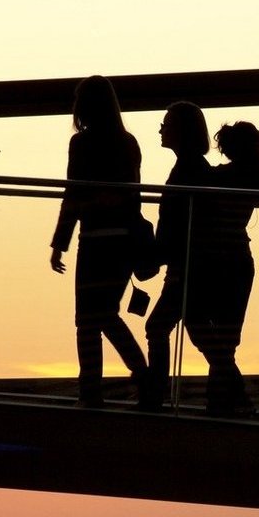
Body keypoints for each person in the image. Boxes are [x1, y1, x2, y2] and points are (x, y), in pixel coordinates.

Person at [49, 75, 153, 407]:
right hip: (122, 241)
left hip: (93, 242)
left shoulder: (81, 143)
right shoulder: (128, 141)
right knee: (105, 314)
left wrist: (60, 242)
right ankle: (141, 375)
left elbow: (72, 193)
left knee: (88, 321)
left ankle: (92, 390)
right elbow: (133, 195)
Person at [186, 121, 259, 416]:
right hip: (238, 259)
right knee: (226, 338)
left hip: (213, 259)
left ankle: (226, 400)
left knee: (198, 322)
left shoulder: (217, 176)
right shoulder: (258, 176)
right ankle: (228, 401)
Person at [138, 101, 213, 410]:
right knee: (198, 329)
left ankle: (155, 396)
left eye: (166, 122)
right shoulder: (192, 167)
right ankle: (234, 391)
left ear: (180, 130)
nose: (161, 128)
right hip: (188, 265)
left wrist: (157, 254)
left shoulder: (188, 170)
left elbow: (180, 223)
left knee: (157, 327)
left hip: (186, 267)